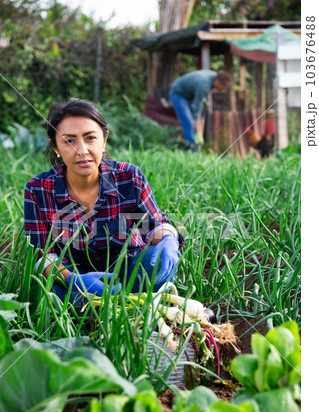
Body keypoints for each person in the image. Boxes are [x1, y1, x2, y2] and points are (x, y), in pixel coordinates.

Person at [24, 98, 184, 305]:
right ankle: (120, 309)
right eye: (69, 141)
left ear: (104, 139)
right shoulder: (38, 189)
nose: (82, 150)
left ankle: (132, 308)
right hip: (77, 276)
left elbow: (154, 226)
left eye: (90, 138)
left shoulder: (129, 177)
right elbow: (42, 254)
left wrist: (168, 241)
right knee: (50, 290)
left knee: (158, 262)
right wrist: (73, 279)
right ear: (55, 147)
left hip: (129, 266)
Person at [169, 69, 233, 151]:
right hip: (178, 94)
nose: (224, 89)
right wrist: (199, 132)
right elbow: (196, 110)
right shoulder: (204, 85)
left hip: (187, 96)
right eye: (224, 87)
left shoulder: (214, 77)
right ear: (217, 83)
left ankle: (193, 149)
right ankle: (191, 152)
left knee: (192, 122)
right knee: (189, 123)